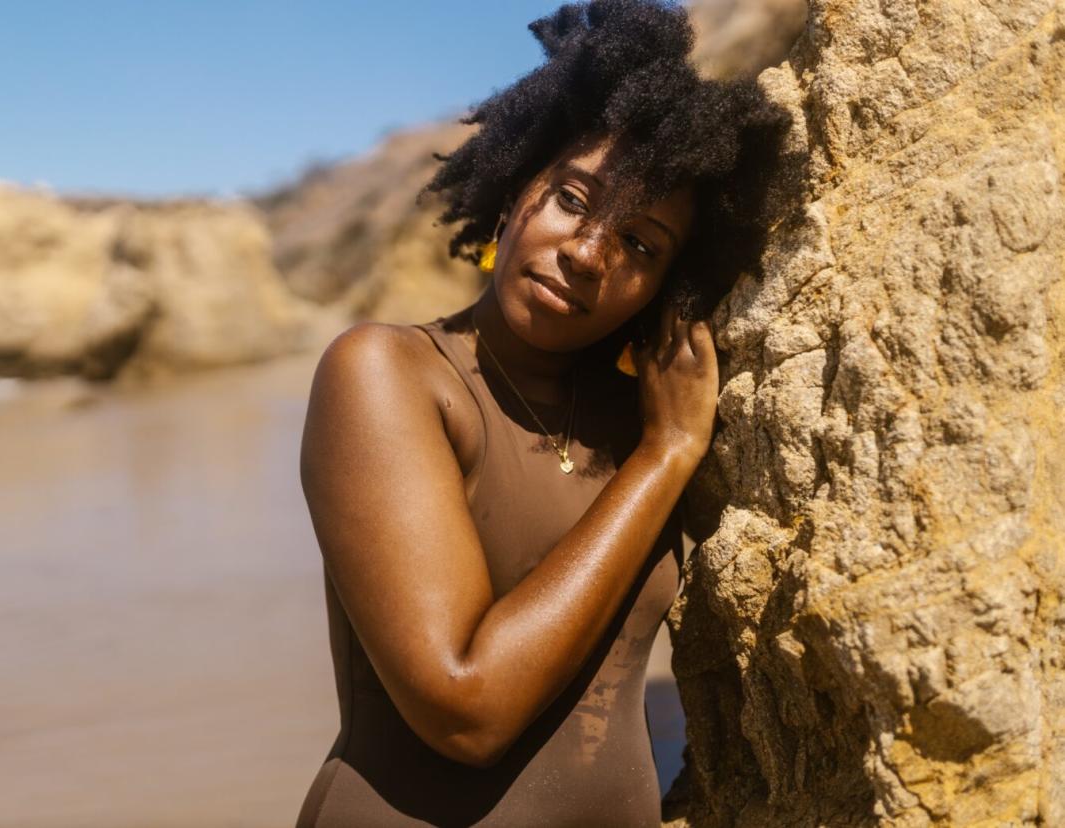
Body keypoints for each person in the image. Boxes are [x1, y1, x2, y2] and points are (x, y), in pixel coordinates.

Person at [295, 1, 791, 824]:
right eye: (572, 199)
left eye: (640, 245)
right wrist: (665, 456)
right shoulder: (389, 374)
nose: (589, 252)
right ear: (515, 185)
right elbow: (467, 709)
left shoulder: (641, 405)